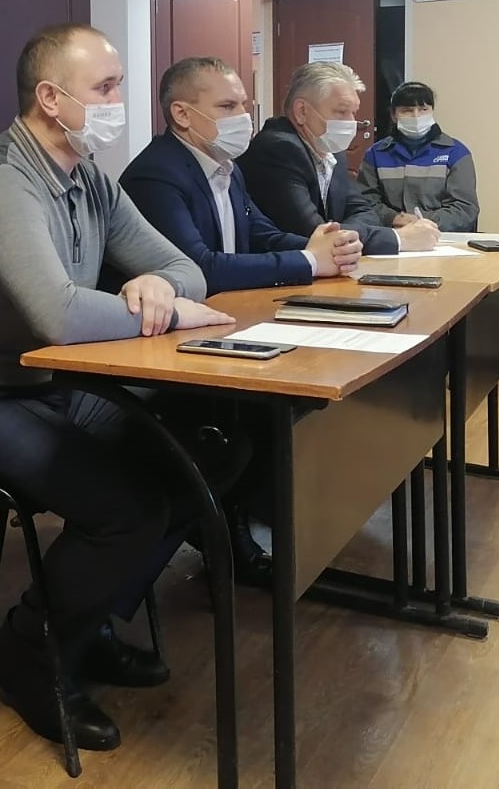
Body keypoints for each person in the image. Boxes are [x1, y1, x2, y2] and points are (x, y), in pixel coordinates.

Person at [0, 23, 235, 752]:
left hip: (45, 384)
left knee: (197, 459)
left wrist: (159, 285)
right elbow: (56, 314)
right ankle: (27, 657)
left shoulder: (88, 177)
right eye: (105, 88)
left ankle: (85, 625)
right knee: (124, 509)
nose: (118, 102)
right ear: (50, 98)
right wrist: (169, 310)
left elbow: (188, 268)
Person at [119, 55, 362, 587]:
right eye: (227, 106)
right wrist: (308, 262)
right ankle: (221, 533)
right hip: (160, 346)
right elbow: (199, 268)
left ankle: (243, 528)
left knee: (299, 403)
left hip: (221, 326)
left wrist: (323, 249)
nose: (244, 118)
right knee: (252, 424)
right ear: (182, 114)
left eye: (244, 105)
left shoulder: (226, 168)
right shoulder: (157, 174)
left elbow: (259, 234)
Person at [237, 61, 441, 254]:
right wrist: (398, 238)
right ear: (302, 111)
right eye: (341, 112)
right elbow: (314, 235)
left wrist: (343, 232)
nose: (351, 122)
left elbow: (364, 211)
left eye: (353, 113)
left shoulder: (331, 150)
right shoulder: (278, 149)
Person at [357, 80, 479, 232]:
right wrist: (393, 218)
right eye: (407, 110)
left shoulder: (456, 152)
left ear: (432, 112)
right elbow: (365, 201)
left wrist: (423, 222)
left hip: (441, 236)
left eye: (423, 109)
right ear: (394, 115)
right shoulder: (375, 154)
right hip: (391, 234)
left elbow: (465, 207)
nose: (416, 116)